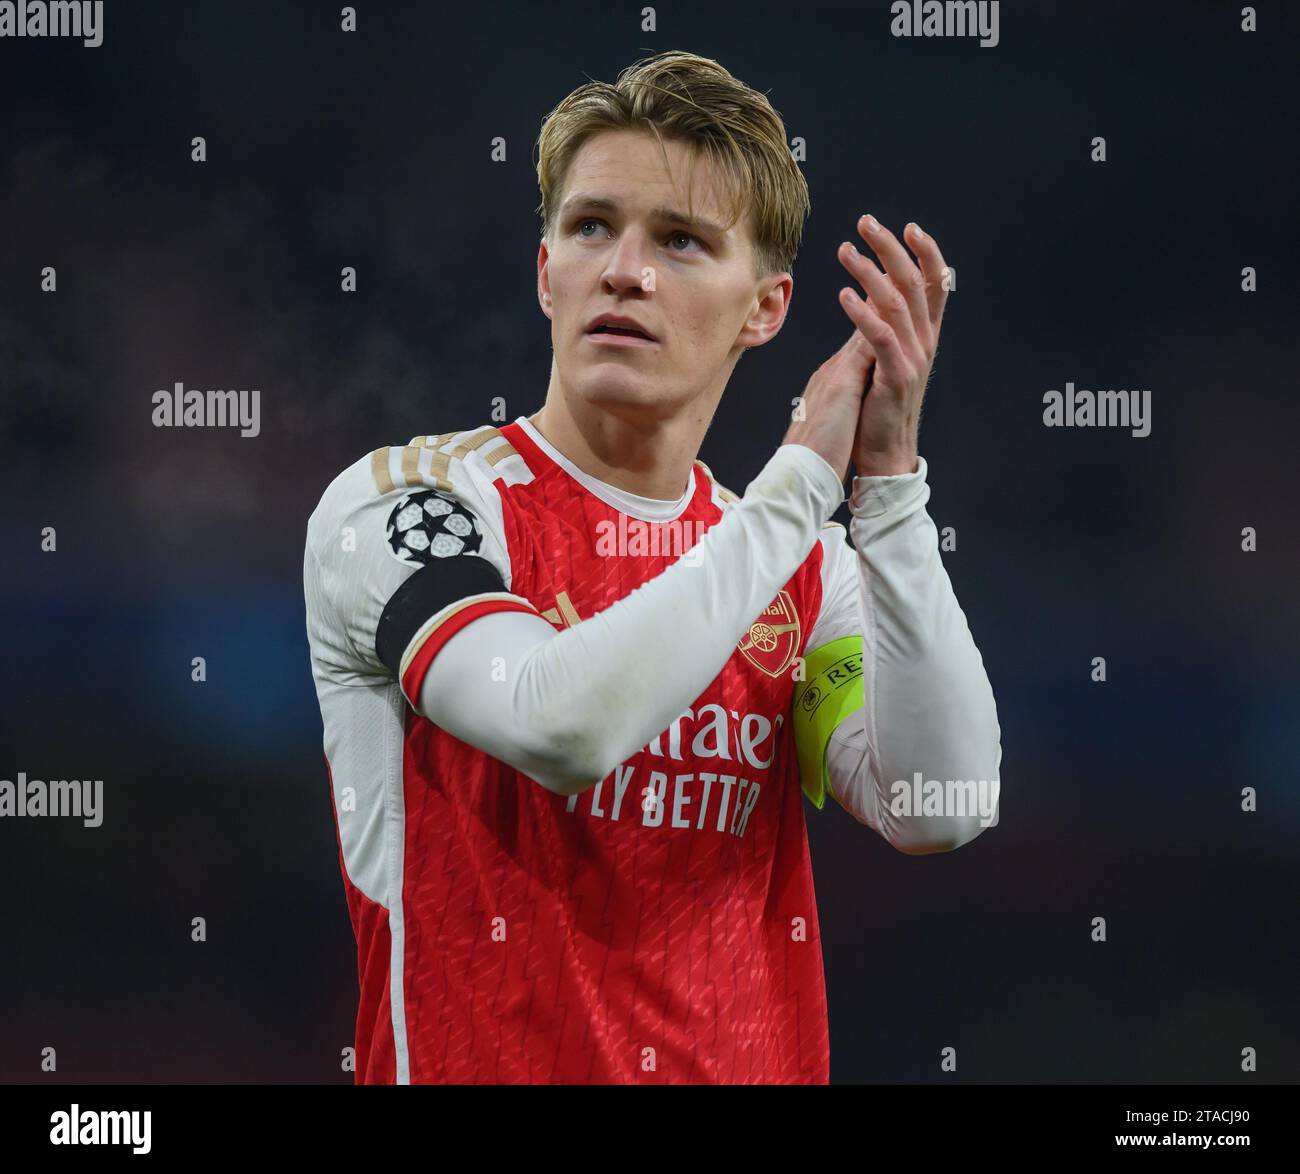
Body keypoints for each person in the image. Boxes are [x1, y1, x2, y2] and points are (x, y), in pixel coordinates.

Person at [303, 50, 1001, 1084]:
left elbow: (941, 805)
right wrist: (804, 477)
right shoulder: (416, 506)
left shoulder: (801, 564)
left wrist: (889, 488)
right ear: (546, 273)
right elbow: (559, 723)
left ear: (765, 309)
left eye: (678, 241)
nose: (623, 269)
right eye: (591, 227)